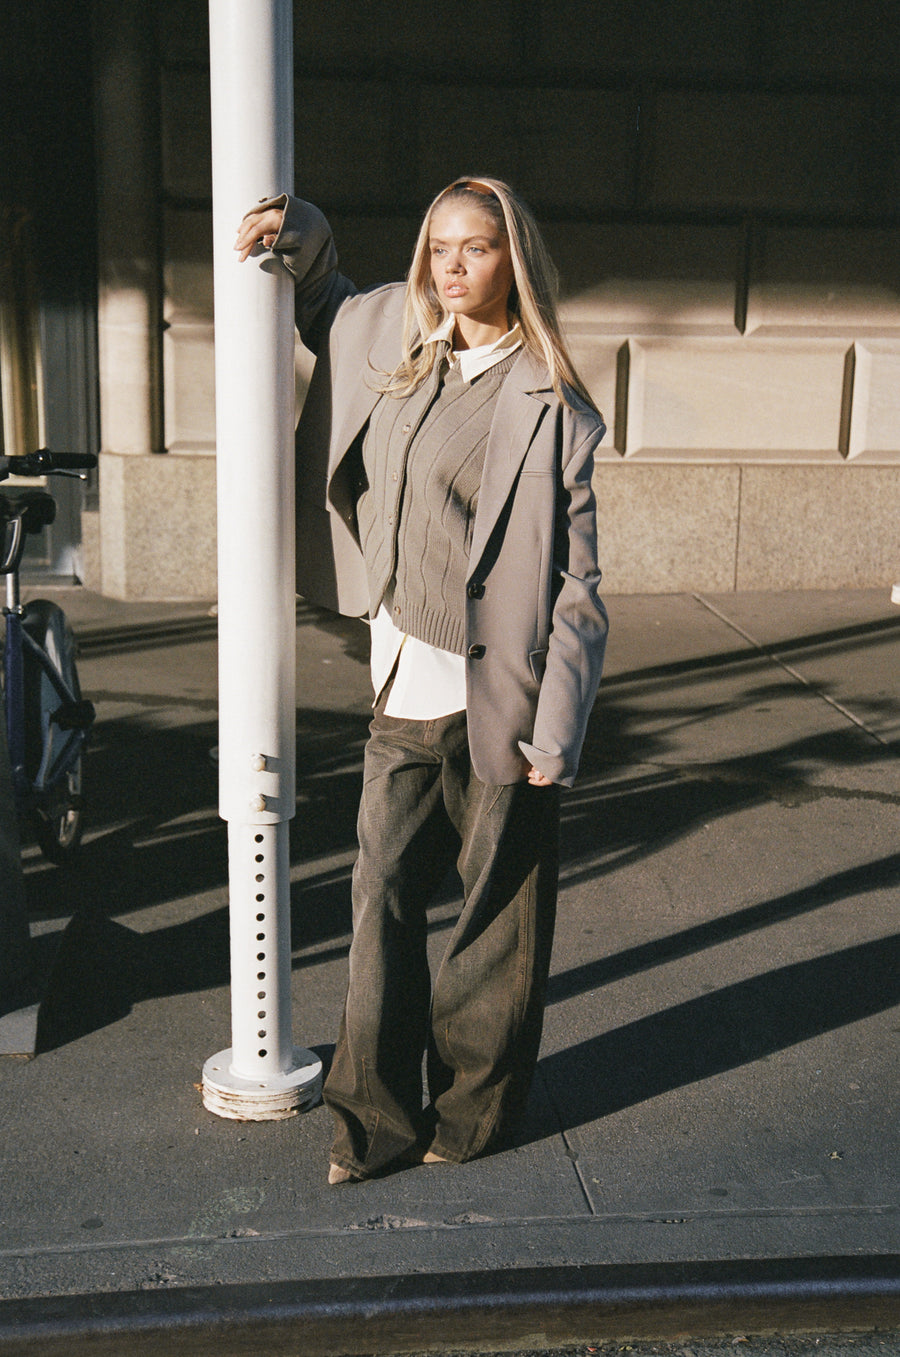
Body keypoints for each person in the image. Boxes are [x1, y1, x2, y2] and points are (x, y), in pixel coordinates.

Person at [235, 177, 608, 1184]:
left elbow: (577, 585)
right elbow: (323, 296)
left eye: (474, 248)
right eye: (438, 245)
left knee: (497, 919)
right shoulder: (398, 349)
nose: (451, 265)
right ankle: (373, 1122)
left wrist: (557, 729)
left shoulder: (550, 403)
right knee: (381, 903)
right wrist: (299, 229)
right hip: (402, 684)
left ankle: (474, 1114)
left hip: (507, 698)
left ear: (511, 262)